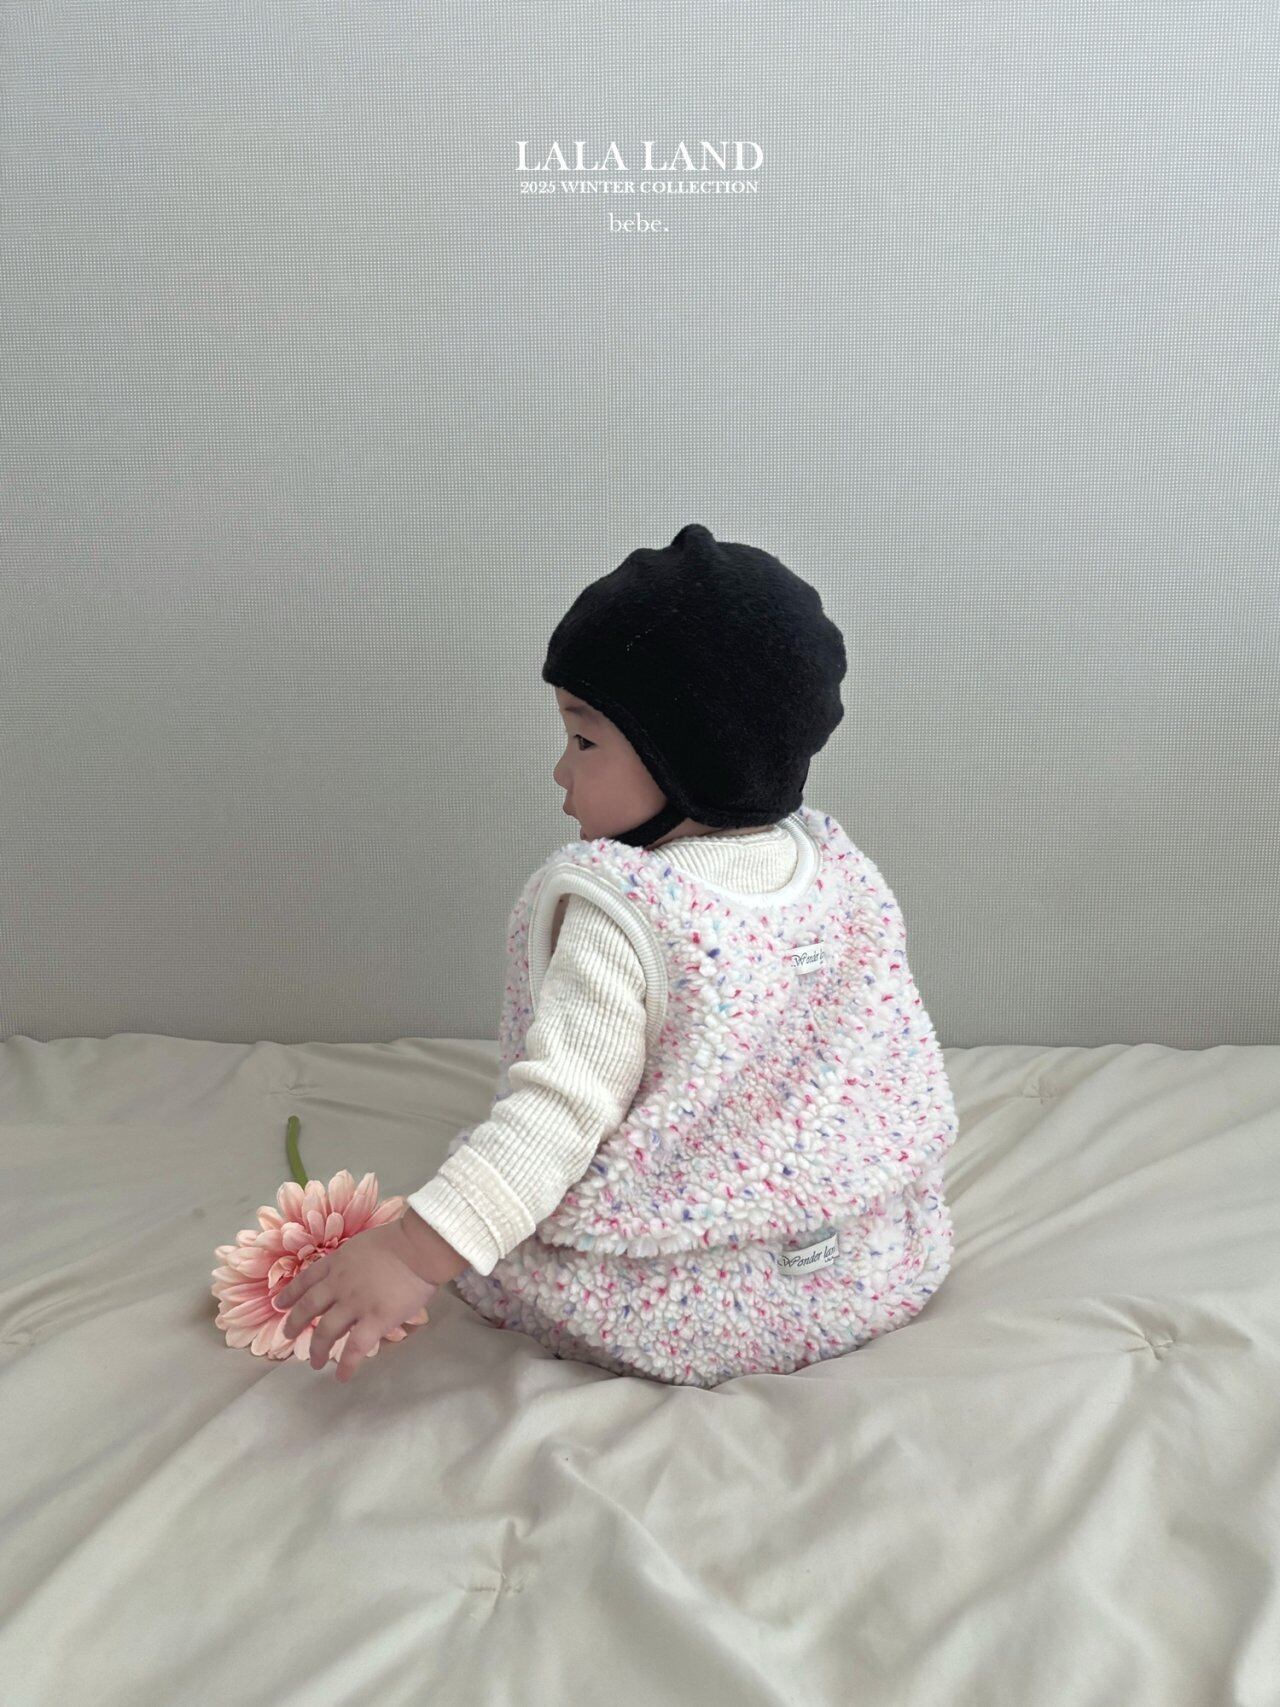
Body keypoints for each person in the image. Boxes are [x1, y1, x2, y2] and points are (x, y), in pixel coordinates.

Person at [280, 523, 959, 1387]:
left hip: (680, 1305)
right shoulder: (835, 871)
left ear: (694, 754)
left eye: (585, 740)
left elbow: (560, 1113)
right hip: (866, 1264)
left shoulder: (627, 911)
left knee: (519, 1243)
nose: (560, 772)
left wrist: (413, 1251)